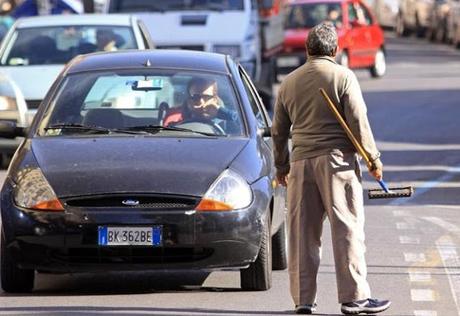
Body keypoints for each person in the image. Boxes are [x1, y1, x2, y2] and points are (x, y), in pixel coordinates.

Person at [272, 22, 391, 315]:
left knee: (302, 234)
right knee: (346, 229)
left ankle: (303, 300)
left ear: (307, 49)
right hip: (337, 164)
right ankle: (353, 298)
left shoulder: (289, 82)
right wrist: (373, 160)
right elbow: (359, 123)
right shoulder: (343, 77)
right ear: (335, 50)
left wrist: (281, 167)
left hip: (300, 165)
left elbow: (278, 131)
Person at [163, 77, 238, 132]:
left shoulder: (229, 124)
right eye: (196, 97)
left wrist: (221, 112)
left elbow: (247, 126)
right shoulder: (175, 127)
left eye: (207, 97)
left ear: (215, 99)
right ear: (189, 101)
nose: (202, 101)